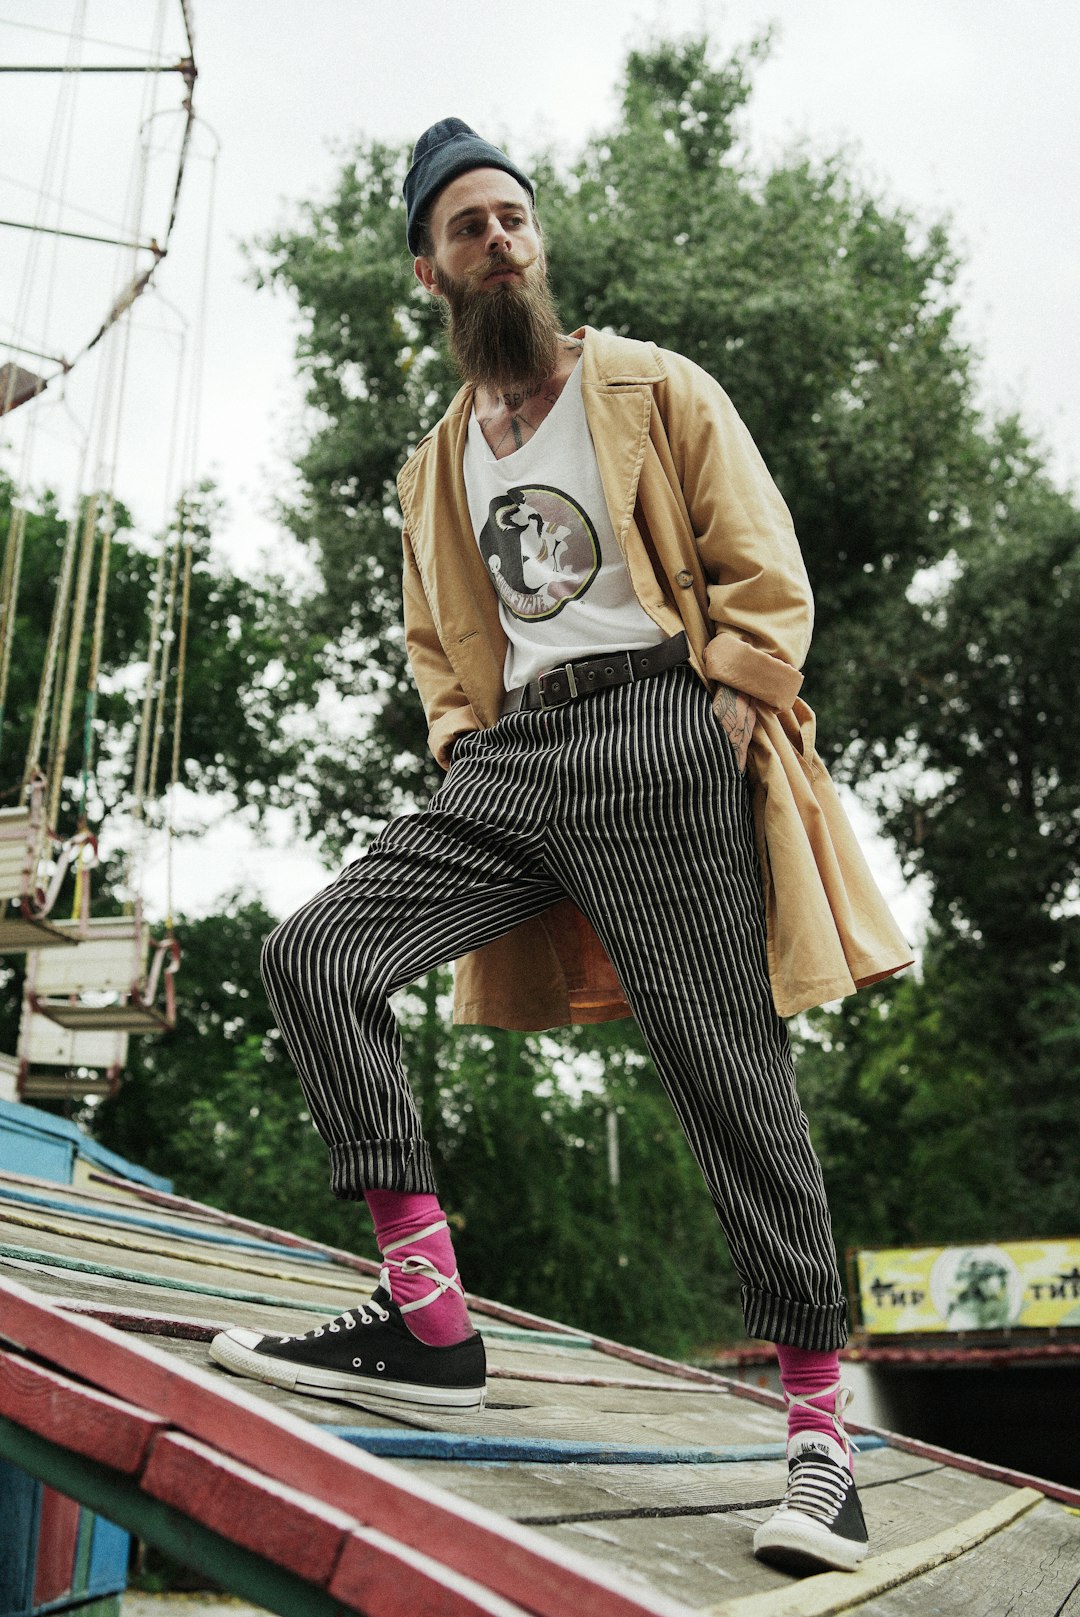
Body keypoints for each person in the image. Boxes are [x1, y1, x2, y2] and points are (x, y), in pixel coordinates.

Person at [210, 118, 913, 1576]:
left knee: (726, 1068)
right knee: (316, 954)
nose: (502, 242)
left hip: (665, 726)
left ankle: (818, 1440)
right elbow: (437, 640)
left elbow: (761, 565)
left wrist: (724, 704)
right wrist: (463, 741)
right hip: (516, 754)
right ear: (430, 270)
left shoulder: (649, 385)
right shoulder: (435, 463)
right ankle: (429, 1319)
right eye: (469, 227)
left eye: (515, 217)